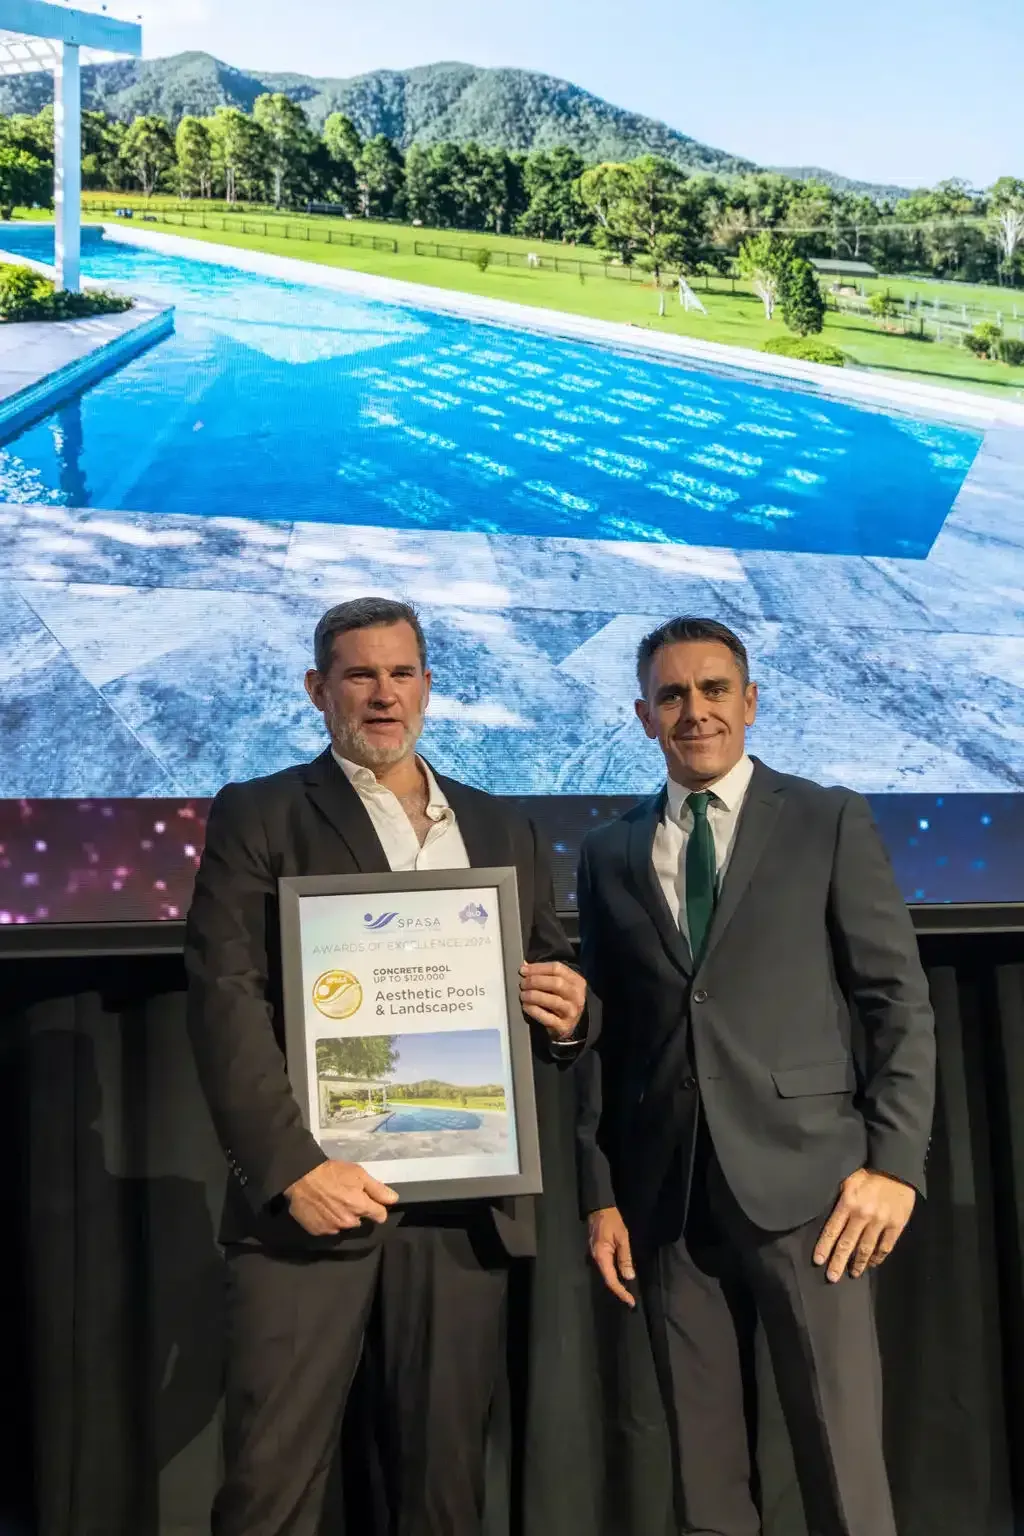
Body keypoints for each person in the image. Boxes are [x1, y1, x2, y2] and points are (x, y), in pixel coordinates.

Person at [184, 597, 588, 1536]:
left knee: (440, 1494)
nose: (383, 695)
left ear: (429, 687)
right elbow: (225, 1000)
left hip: (463, 1210)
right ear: (318, 689)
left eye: (401, 673)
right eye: (359, 675)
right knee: (269, 1491)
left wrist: (574, 1013)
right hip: (315, 1199)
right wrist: (292, 1170)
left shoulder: (501, 826)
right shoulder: (263, 812)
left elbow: (546, 968)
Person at [576, 616, 935, 1536]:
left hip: (813, 1191)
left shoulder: (827, 818)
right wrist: (601, 1190)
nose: (694, 711)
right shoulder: (609, 852)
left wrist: (894, 1165)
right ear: (642, 716)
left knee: (841, 1473)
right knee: (704, 1484)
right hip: (667, 1195)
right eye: (671, 696)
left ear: (750, 701)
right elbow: (606, 1039)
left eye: (713, 690)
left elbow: (896, 1000)